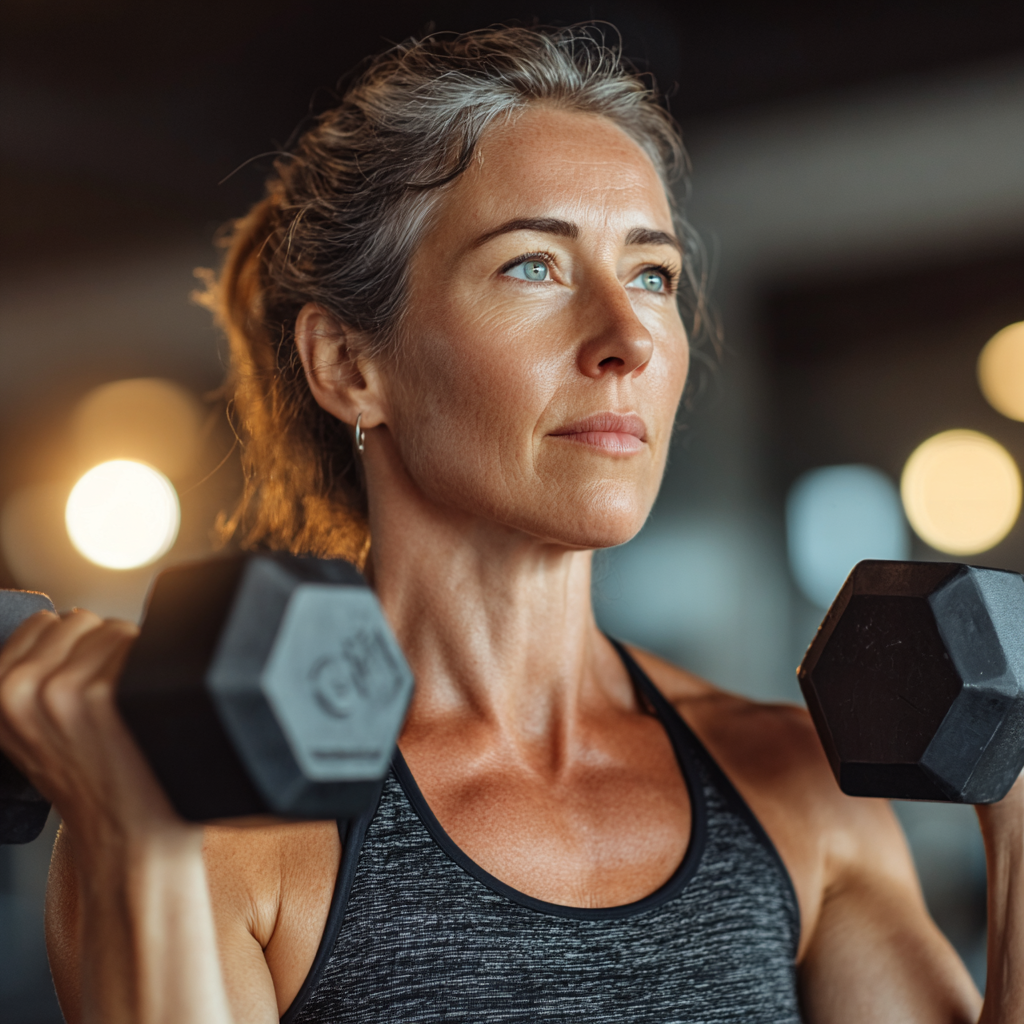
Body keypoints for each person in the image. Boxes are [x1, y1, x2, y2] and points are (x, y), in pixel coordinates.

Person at [0, 25, 1019, 1024]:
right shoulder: (223, 814)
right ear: (350, 367)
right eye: (532, 265)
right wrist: (141, 836)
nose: (625, 337)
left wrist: (1017, 816)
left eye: (652, 274)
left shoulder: (796, 788)